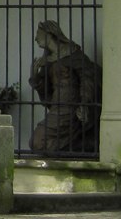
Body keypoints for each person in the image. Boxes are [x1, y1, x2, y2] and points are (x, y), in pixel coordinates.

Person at [28, 20, 101, 154]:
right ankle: (78, 147)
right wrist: (35, 77)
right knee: (37, 142)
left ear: (49, 34)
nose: (35, 38)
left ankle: (82, 145)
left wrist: (84, 103)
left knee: (38, 142)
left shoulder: (73, 53)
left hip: (71, 108)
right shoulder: (47, 61)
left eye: (38, 34)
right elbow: (46, 91)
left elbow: (87, 78)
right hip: (57, 107)